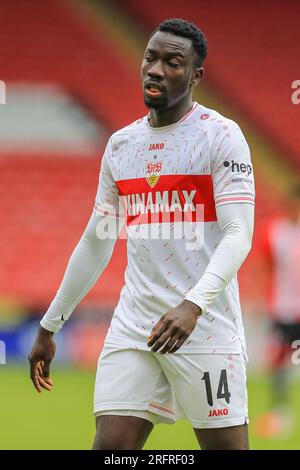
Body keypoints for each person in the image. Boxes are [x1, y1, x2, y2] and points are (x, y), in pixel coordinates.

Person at [28, 18, 255, 450]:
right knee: (111, 449)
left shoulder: (221, 136)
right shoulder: (121, 146)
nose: (156, 69)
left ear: (195, 75)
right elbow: (97, 240)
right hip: (135, 327)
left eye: (173, 62)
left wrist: (193, 305)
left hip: (203, 327)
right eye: (151, 57)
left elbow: (238, 234)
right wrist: (50, 325)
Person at [254, 184, 300, 438]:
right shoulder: (275, 232)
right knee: (279, 363)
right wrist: (263, 302)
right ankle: (281, 413)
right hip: (282, 310)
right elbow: (266, 269)